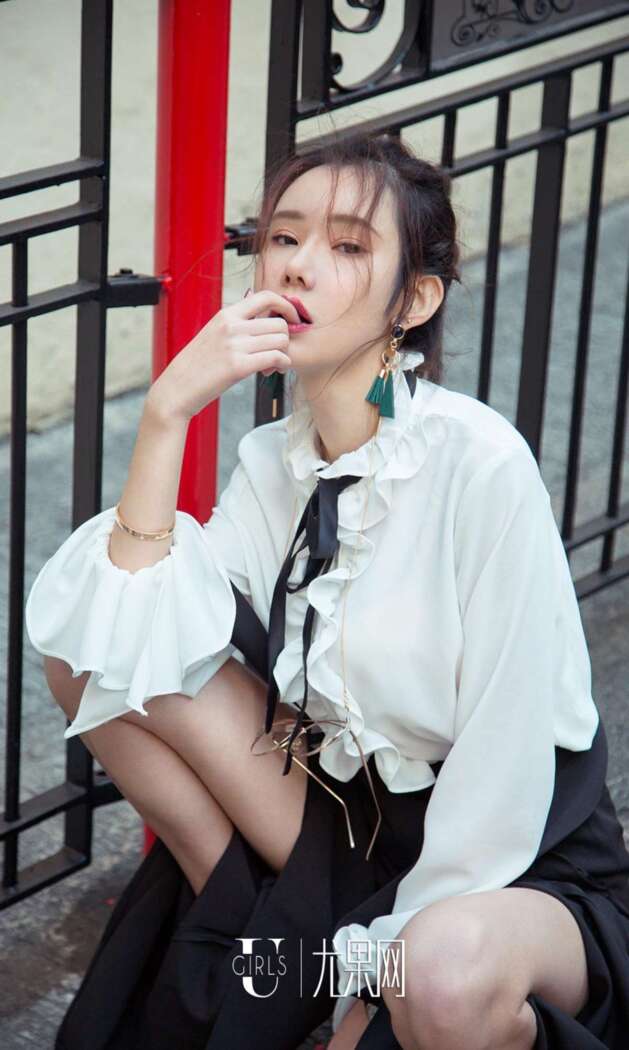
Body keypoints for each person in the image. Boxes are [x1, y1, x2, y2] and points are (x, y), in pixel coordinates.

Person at [25, 133, 629, 1050]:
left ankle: (338, 966)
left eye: (347, 246)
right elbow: (118, 632)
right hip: (351, 827)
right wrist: (167, 411)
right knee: (95, 660)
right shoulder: (275, 464)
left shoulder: (477, 462)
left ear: (413, 300)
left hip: (511, 861)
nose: (299, 266)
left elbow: (507, 756)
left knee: (435, 975)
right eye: (284, 237)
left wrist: (380, 974)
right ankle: (251, 916)